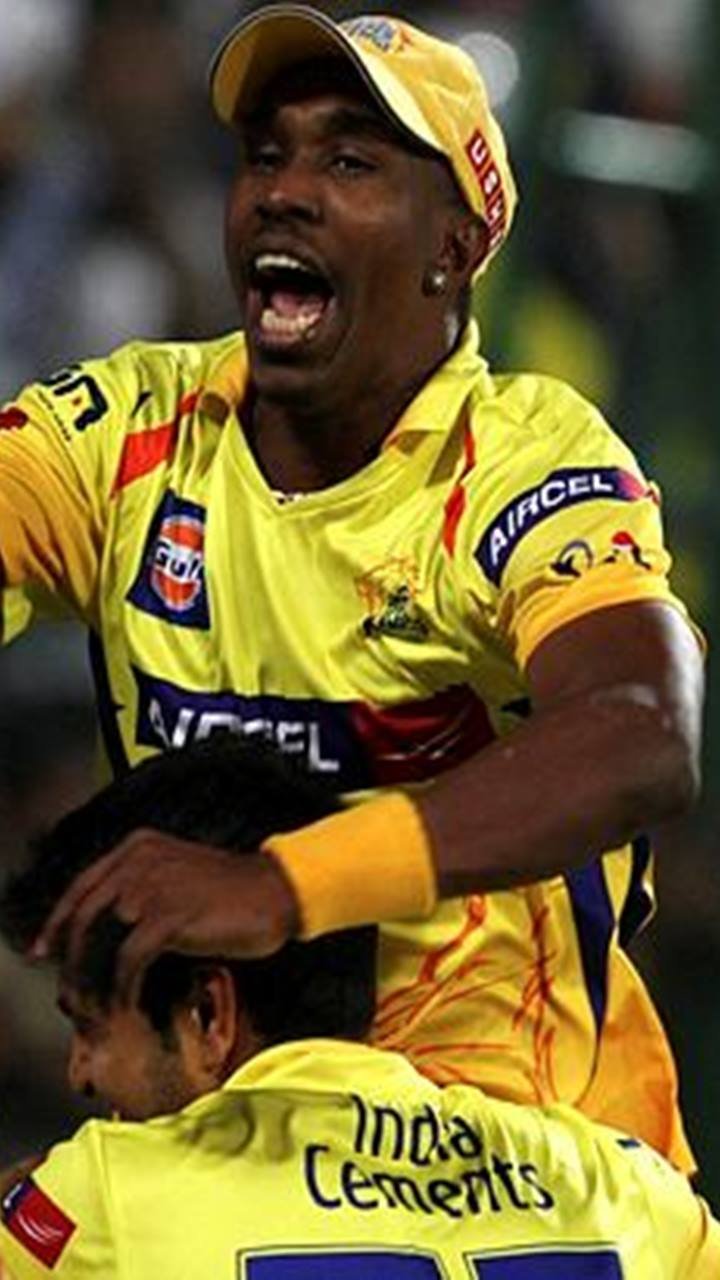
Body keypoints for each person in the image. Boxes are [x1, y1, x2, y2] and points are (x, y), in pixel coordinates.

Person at [0, 6, 705, 1169]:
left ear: (455, 247)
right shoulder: (127, 433)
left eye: (349, 162)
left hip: (513, 1141)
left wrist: (287, 884)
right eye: (265, 155)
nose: (284, 191)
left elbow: (644, 731)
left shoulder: (524, 461)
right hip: (228, 1138)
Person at [0, 737, 718, 1280]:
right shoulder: (628, 1195)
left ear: (209, 1016)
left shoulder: (100, 1201)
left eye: (90, 1028)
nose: (79, 1073)